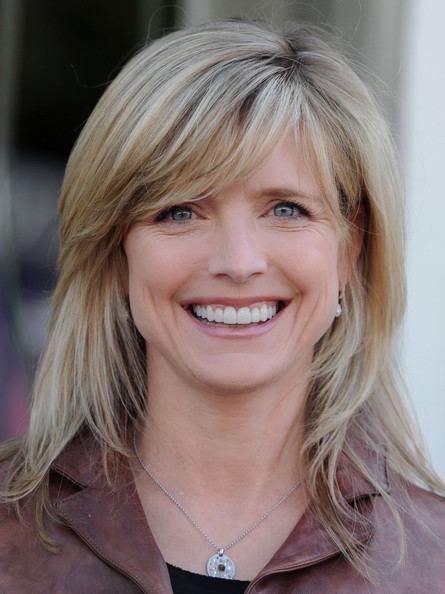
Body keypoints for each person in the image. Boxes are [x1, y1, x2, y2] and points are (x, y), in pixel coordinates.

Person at [0, 19, 444, 593]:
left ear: (348, 252)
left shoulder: (431, 563)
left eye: (285, 209)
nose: (238, 262)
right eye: (180, 211)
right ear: (117, 258)